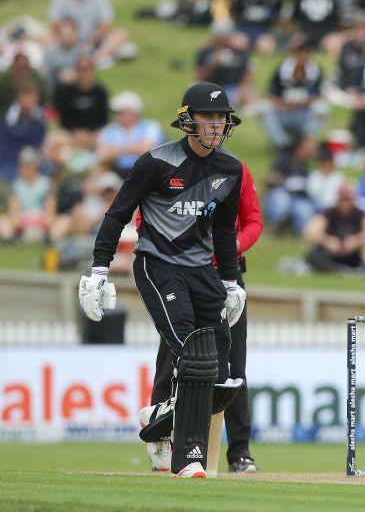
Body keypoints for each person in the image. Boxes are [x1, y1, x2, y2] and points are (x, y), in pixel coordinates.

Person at [77, 82, 247, 478]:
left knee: (221, 374)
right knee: (192, 354)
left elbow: (224, 232)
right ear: (188, 120)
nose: (215, 124)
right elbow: (117, 214)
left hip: (202, 270)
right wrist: (99, 270)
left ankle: (157, 417)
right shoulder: (156, 162)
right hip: (158, 265)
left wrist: (230, 281)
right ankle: (186, 456)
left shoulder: (230, 169)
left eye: (221, 117)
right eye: (207, 117)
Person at [148, 162, 263, 474]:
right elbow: (151, 216)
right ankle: (160, 442)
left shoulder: (237, 170)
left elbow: (253, 222)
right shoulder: (173, 168)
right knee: (172, 356)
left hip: (226, 274)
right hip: (183, 270)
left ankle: (239, 452)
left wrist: (231, 249)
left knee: (233, 364)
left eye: (219, 121)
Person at [304, 183, 365, 274]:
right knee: (315, 251)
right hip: (332, 253)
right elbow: (310, 232)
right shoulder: (328, 213)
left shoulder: (360, 214)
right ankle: (329, 268)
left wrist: (357, 241)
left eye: (347, 200)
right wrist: (327, 241)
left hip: (355, 253)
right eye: (342, 200)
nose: (345, 203)